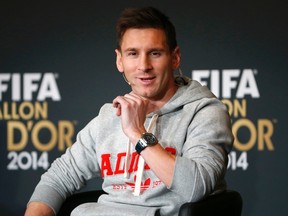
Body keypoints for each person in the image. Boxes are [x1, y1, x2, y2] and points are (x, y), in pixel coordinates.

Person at [24, 6, 234, 216]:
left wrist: (137, 133)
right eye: (133, 53)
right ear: (120, 60)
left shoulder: (204, 112)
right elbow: (59, 177)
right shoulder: (109, 117)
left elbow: (195, 187)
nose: (144, 65)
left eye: (155, 53)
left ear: (175, 57)